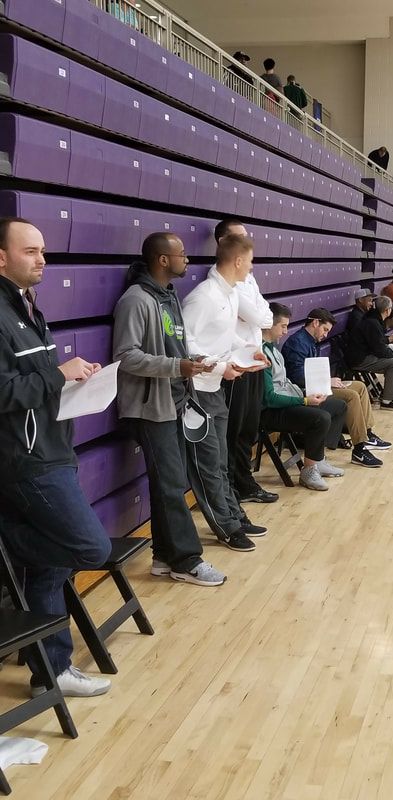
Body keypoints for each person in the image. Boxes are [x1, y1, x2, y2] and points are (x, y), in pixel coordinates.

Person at [0, 217, 113, 698]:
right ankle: (10, 548)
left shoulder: (26, 308)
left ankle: (53, 667)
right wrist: (57, 373)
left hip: (52, 448)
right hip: (27, 462)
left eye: (43, 250)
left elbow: (38, 379)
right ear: (1, 257)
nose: (42, 258)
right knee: (92, 549)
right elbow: (4, 393)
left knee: (51, 568)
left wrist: (72, 377)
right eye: (30, 251)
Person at [113, 232, 226, 587]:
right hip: (149, 409)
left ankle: (164, 556)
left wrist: (189, 362)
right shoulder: (135, 300)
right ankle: (186, 559)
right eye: (182, 254)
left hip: (175, 400)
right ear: (163, 260)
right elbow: (126, 356)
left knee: (169, 484)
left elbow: (170, 346)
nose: (187, 260)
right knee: (172, 485)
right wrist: (176, 367)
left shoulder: (169, 295)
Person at [182, 234, 269, 553]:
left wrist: (248, 351)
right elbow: (185, 346)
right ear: (237, 261)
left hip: (215, 388)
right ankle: (226, 527)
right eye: (250, 261)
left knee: (219, 459)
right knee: (207, 462)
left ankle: (233, 515)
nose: (251, 267)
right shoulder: (203, 297)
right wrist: (220, 367)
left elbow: (225, 337)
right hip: (196, 392)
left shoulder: (230, 293)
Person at [215, 218, 278, 505]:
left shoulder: (248, 276)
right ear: (224, 244)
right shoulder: (221, 282)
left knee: (249, 428)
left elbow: (265, 313)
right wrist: (261, 315)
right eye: (239, 237)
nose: (247, 241)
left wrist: (262, 315)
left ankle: (244, 482)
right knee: (234, 430)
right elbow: (259, 316)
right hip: (234, 366)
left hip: (252, 359)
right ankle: (234, 486)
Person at [282, 307, 390, 467]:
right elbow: (297, 378)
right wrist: (327, 381)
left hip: (318, 385)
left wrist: (328, 380)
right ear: (315, 323)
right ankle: (359, 449)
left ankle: (367, 433)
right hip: (305, 391)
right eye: (325, 330)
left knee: (359, 386)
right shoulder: (297, 343)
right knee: (351, 396)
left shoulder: (310, 341)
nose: (325, 335)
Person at [262, 304, 348, 490]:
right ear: (269, 324)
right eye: (283, 326)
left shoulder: (274, 350)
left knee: (337, 406)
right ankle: (308, 472)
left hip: (288, 400)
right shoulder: (261, 354)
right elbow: (269, 398)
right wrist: (304, 400)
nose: (286, 331)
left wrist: (304, 394)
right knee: (321, 417)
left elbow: (285, 384)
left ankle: (319, 459)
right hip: (272, 411)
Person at [345, 296, 393, 410]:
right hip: (359, 359)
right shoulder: (373, 323)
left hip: (364, 355)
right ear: (387, 310)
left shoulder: (373, 320)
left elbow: (379, 343)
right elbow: (380, 349)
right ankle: (387, 401)